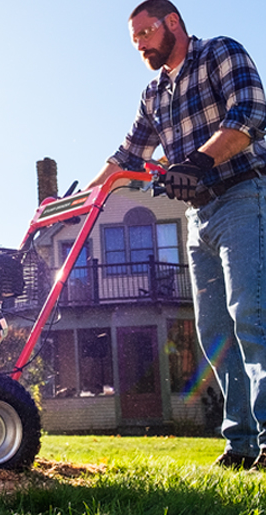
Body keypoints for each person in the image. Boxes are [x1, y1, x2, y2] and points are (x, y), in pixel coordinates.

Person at [87, 0, 266, 470]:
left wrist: (199, 162)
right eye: (134, 41)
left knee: (251, 316)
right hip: (198, 218)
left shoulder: (219, 53)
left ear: (172, 23)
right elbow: (127, 155)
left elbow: (249, 114)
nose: (141, 45)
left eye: (145, 33)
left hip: (244, 196)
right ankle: (242, 444)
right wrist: (81, 200)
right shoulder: (154, 94)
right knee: (214, 333)